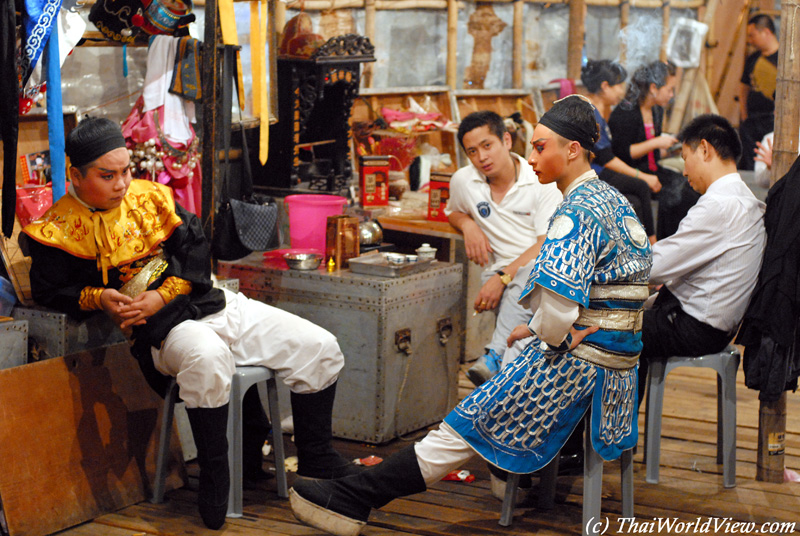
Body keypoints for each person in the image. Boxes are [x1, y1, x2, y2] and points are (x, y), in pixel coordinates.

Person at [288, 95, 652, 536]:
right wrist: (542, 328)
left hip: (583, 364)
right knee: (487, 397)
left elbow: (559, 317)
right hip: (621, 359)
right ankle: (362, 490)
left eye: (541, 147)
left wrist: (548, 335)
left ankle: (356, 498)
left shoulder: (573, 213)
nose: (532, 157)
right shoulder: (614, 200)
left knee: (466, 420)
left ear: (572, 150)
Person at [20, 117, 360, 531]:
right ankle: (217, 477)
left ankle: (317, 455)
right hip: (162, 330)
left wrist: (164, 291)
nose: (122, 183)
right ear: (76, 175)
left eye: (127, 170)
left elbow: (196, 249)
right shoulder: (55, 228)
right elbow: (51, 290)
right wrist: (99, 298)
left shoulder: (153, 198)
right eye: (107, 176)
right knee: (207, 356)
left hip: (209, 301)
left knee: (319, 345)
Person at [637, 114, 767, 405]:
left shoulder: (719, 205)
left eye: (685, 157)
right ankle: (617, 434)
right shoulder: (744, 198)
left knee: (602, 327)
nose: (684, 171)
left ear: (705, 149)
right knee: (621, 318)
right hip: (715, 325)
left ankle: (606, 438)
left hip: (694, 326)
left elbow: (654, 266)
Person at [445, 110, 562, 387]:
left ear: (506, 141)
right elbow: (452, 211)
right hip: (498, 273)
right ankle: (504, 382)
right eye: (472, 151)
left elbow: (545, 243)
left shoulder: (540, 180)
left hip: (541, 270)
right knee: (519, 321)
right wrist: (468, 225)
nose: (481, 157)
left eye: (487, 146)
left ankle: (495, 357)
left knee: (528, 277)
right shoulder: (464, 181)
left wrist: (504, 277)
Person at [608, 60, 701, 240]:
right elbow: (623, 153)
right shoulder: (625, 112)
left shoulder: (656, 110)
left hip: (653, 168)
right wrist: (657, 142)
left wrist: (673, 148)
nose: (672, 95)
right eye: (669, 89)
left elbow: (654, 153)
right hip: (632, 172)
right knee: (674, 198)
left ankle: (686, 242)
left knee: (692, 188)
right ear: (653, 88)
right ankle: (666, 244)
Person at [582, 59, 658, 243]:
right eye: (619, 86)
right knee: (641, 186)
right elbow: (606, 158)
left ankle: (639, 250)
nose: (622, 92)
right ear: (605, 86)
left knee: (636, 202)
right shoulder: (590, 113)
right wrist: (643, 176)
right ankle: (653, 247)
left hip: (598, 170)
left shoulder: (598, 111)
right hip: (590, 174)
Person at [739, 14, 779, 171]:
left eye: (752, 35)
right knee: (749, 160)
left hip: (773, 120)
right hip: (752, 119)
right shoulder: (753, 58)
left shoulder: (786, 59)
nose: (750, 40)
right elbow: (743, 87)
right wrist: (744, 114)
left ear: (766, 32)